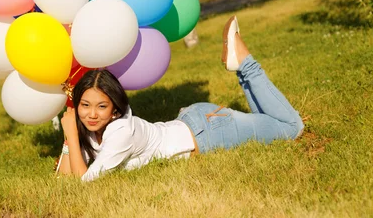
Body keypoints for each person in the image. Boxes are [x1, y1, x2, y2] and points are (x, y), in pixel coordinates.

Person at [57, 16, 304, 181]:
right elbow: (65, 179)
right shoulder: (93, 129)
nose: (91, 114)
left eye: (101, 106)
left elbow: (84, 182)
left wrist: (70, 134)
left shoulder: (122, 130)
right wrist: (72, 141)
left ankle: (245, 63)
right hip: (195, 122)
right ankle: (240, 66)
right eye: (85, 105)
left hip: (210, 131)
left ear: (114, 110)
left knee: (292, 127)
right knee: (269, 123)